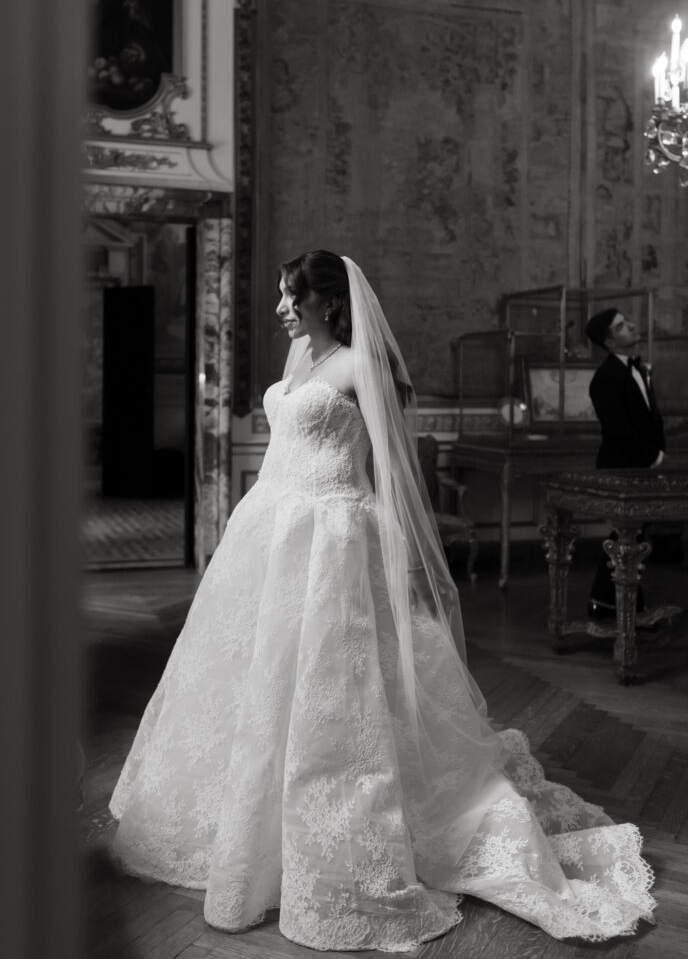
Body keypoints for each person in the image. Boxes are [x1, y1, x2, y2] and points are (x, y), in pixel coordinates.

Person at [110, 254, 655, 952]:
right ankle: (242, 829)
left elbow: (391, 468)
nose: (280, 306)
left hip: (334, 534)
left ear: (328, 303)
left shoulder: (359, 367)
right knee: (252, 676)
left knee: (337, 691)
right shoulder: (300, 352)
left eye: (290, 295)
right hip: (271, 528)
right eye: (281, 294)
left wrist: (398, 552)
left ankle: (351, 835)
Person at [584, 307, 665, 618]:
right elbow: (618, 430)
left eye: (626, 322)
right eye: (621, 326)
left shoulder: (638, 368)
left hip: (642, 465)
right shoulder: (605, 377)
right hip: (621, 466)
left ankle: (611, 605)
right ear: (609, 343)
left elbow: (649, 420)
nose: (631, 325)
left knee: (632, 539)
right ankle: (617, 607)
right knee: (628, 540)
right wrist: (655, 456)